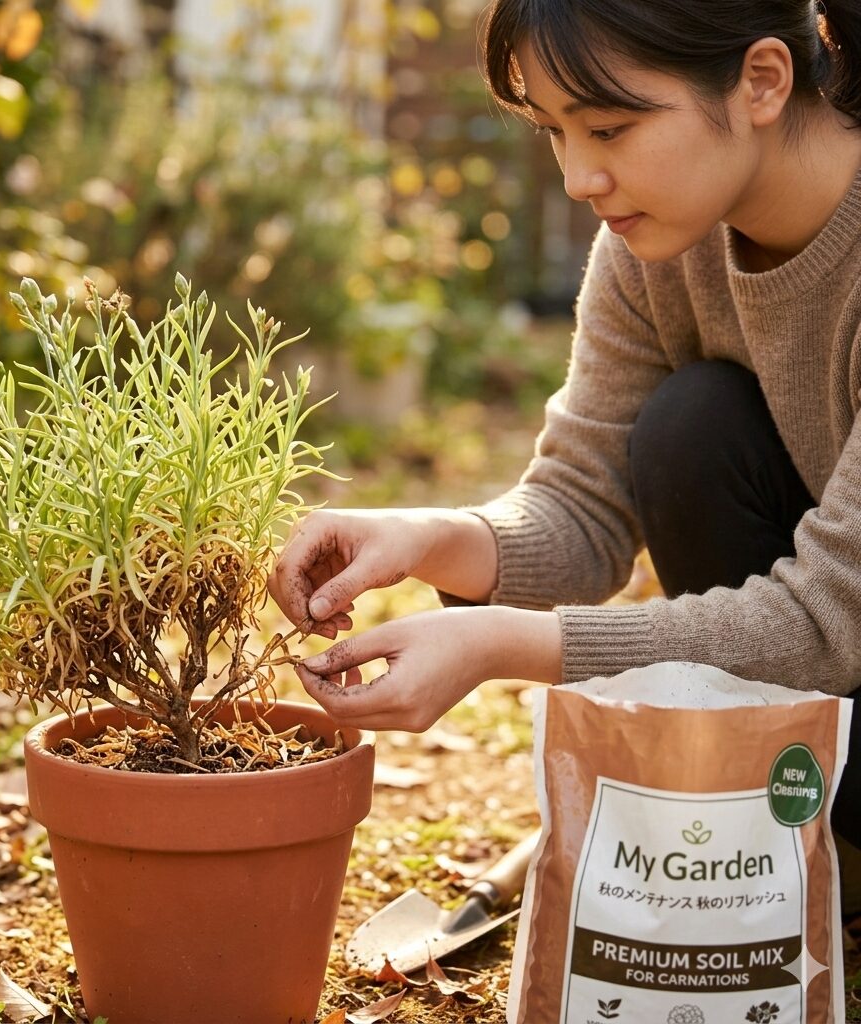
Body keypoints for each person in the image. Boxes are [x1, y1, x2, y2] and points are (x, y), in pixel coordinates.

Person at [266, 0, 861, 875]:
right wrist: (429, 538)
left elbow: (832, 617)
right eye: (555, 131)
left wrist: (504, 645)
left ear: (762, 81)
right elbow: (580, 506)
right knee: (691, 424)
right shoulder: (655, 248)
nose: (580, 178)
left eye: (610, 128)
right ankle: (805, 847)